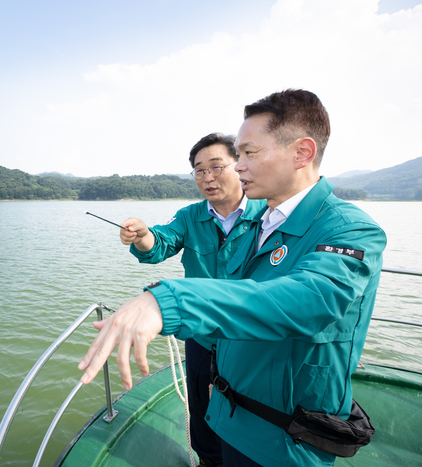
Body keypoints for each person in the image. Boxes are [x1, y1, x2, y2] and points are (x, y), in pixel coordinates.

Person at [78, 89, 386, 467]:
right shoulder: (256, 221)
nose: (238, 167)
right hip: (230, 401)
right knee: (206, 433)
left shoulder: (350, 230)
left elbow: (308, 300)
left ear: (302, 153)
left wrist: (170, 299)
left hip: (285, 435)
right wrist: (144, 238)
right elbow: (163, 242)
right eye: (234, 157)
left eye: (247, 154)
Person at [119, 132, 266, 467]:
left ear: (240, 166)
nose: (207, 177)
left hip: (251, 340)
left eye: (216, 167)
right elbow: (159, 243)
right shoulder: (190, 216)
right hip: (202, 337)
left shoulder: (267, 213)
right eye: (199, 171)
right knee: (201, 410)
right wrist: (142, 235)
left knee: (251, 413)